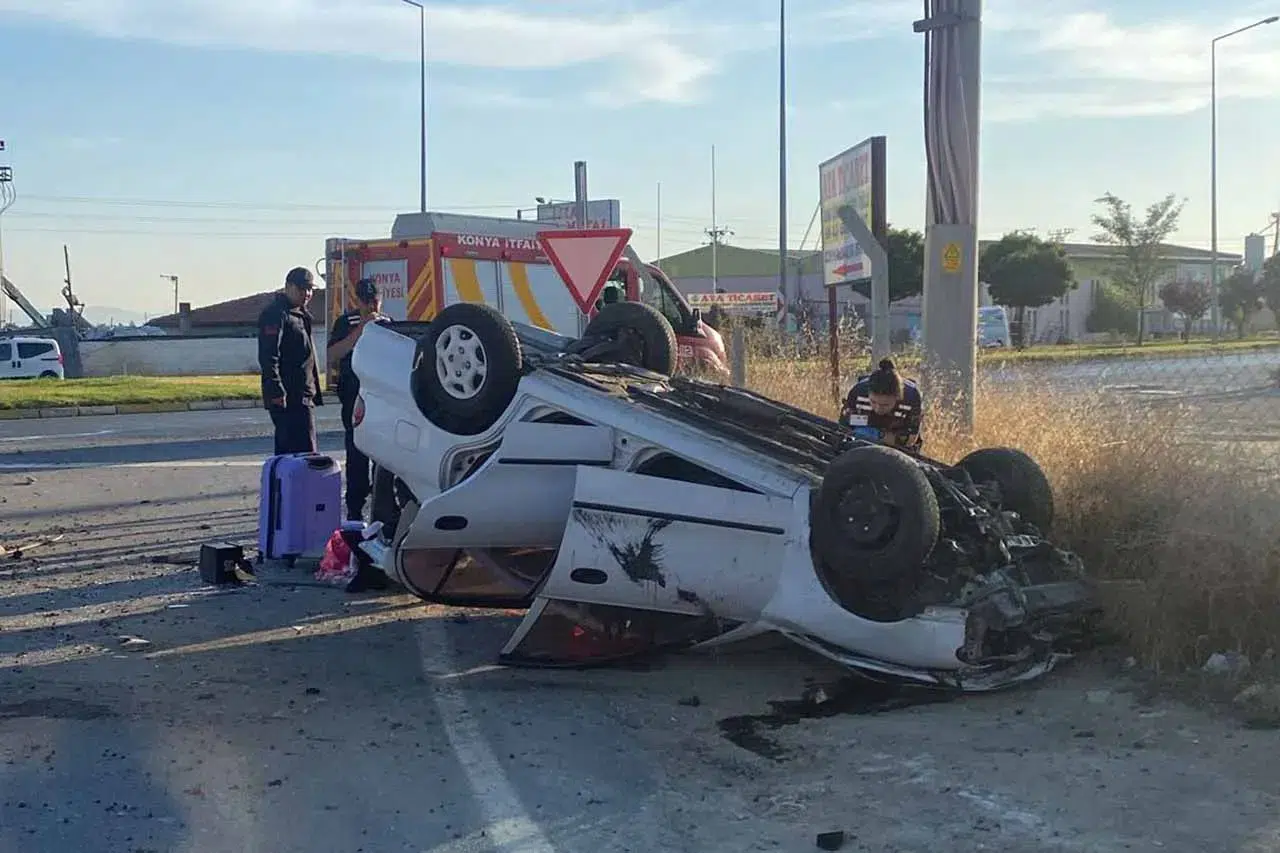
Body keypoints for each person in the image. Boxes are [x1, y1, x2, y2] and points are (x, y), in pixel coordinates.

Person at [327, 278, 390, 520]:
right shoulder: (347, 322)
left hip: (381, 398)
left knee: (383, 455)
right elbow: (333, 354)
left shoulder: (387, 323)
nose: (371, 307)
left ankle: (383, 508)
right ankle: (355, 509)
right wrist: (361, 329)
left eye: (374, 301)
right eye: (366, 302)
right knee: (357, 453)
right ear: (358, 300)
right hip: (354, 396)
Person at [258, 266, 324, 455]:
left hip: (303, 394)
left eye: (310, 289)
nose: (307, 294)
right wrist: (275, 388)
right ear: (288, 287)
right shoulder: (277, 314)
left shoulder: (300, 314)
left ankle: (294, 485)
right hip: (288, 396)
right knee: (300, 456)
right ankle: (289, 485)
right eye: (301, 289)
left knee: (302, 454)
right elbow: (269, 355)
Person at [838, 358, 924, 452]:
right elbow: (843, 428)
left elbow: (910, 439)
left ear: (897, 398)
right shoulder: (858, 392)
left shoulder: (911, 398)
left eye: (885, 405)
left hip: (898, 449)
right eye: (873, 402)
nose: (878, 409)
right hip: (860, 441)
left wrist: (879, 435)